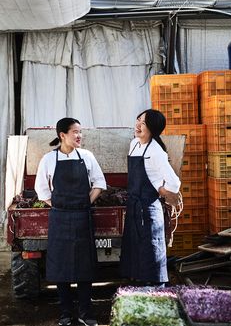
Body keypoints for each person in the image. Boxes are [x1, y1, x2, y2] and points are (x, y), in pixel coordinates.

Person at [35, 117, 106, 326]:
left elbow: (99, 183)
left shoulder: (87, 156)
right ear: (62, 135)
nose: (79, 136)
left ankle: (86, 312)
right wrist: (59, 205)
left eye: (80, 132)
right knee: (61, 267)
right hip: (59, 217)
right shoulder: (49, 159)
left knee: (85, 266)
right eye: (75, 132)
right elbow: (42, 191)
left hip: (83, 216)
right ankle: (65, 313)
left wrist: (86, 202)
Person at [120, 109, 181, 287]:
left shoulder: (156, 151)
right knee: (135, 251)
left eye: (144, 123)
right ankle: (139, 289)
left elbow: (174, 183)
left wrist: (161, 190)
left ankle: (155, 291)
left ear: (153, 128)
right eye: (138, 119)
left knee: (150, 252)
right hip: (133, 207)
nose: (138, 125)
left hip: (148, 210)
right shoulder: (134, 144)